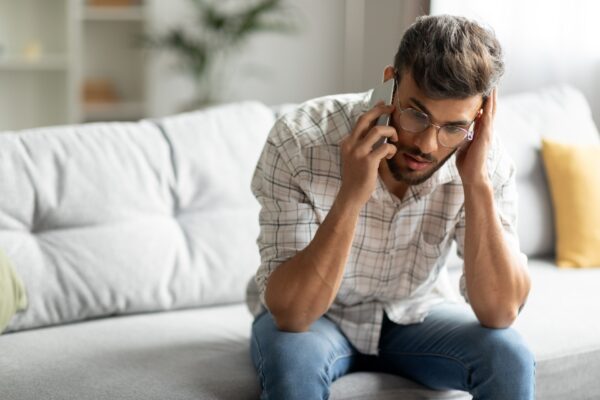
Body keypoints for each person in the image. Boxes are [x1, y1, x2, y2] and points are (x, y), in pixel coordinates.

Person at [246, 14, 534, 400]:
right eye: (417, 114)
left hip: (415, 315)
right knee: (292, 366)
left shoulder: (483, 158)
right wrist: (352, 195)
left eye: (453, 127)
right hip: (318, 319)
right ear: (390, 80)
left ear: (480, 116)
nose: (429, 145)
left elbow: (500, 313)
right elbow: (293, 314)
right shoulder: (300, 139)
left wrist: (476, 183)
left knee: (509, 357)